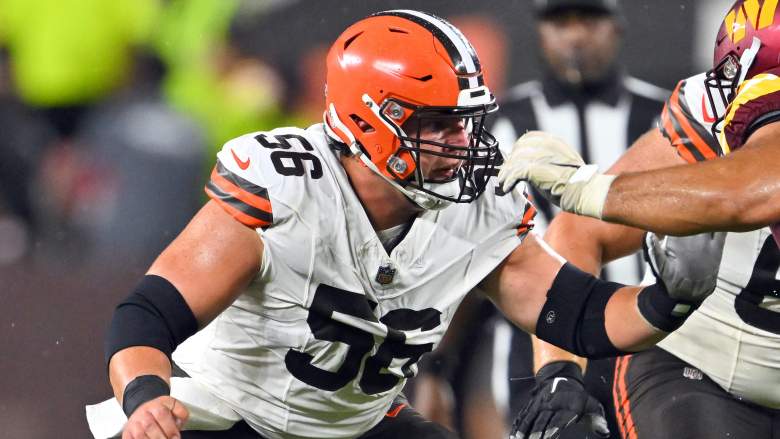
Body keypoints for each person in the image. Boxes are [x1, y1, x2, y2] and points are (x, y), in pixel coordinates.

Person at [86, 10, 713, 439]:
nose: (458, 142)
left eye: (463, 121)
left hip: (354, 426)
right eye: (436, 124)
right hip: (231, 416)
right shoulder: (288, 189)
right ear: (367, 122)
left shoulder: (474, 205)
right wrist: (144, 402)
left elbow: (575, 312)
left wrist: (667, 300)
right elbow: (146, 315)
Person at [504, 1, 780, 438]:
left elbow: (750, 194)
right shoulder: (714, 115)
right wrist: (560, 371)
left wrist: (593, 189)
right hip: (697, 366)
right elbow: (580, 232)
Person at [474, 1, 666, 437]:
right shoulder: (497, 124)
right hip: (534, 339)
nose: (576, 35)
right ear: (541, 31)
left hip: (649, 335)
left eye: (589, 19)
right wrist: (436, 371)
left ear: (616, 26)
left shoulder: (667, 117)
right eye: (562, 22)